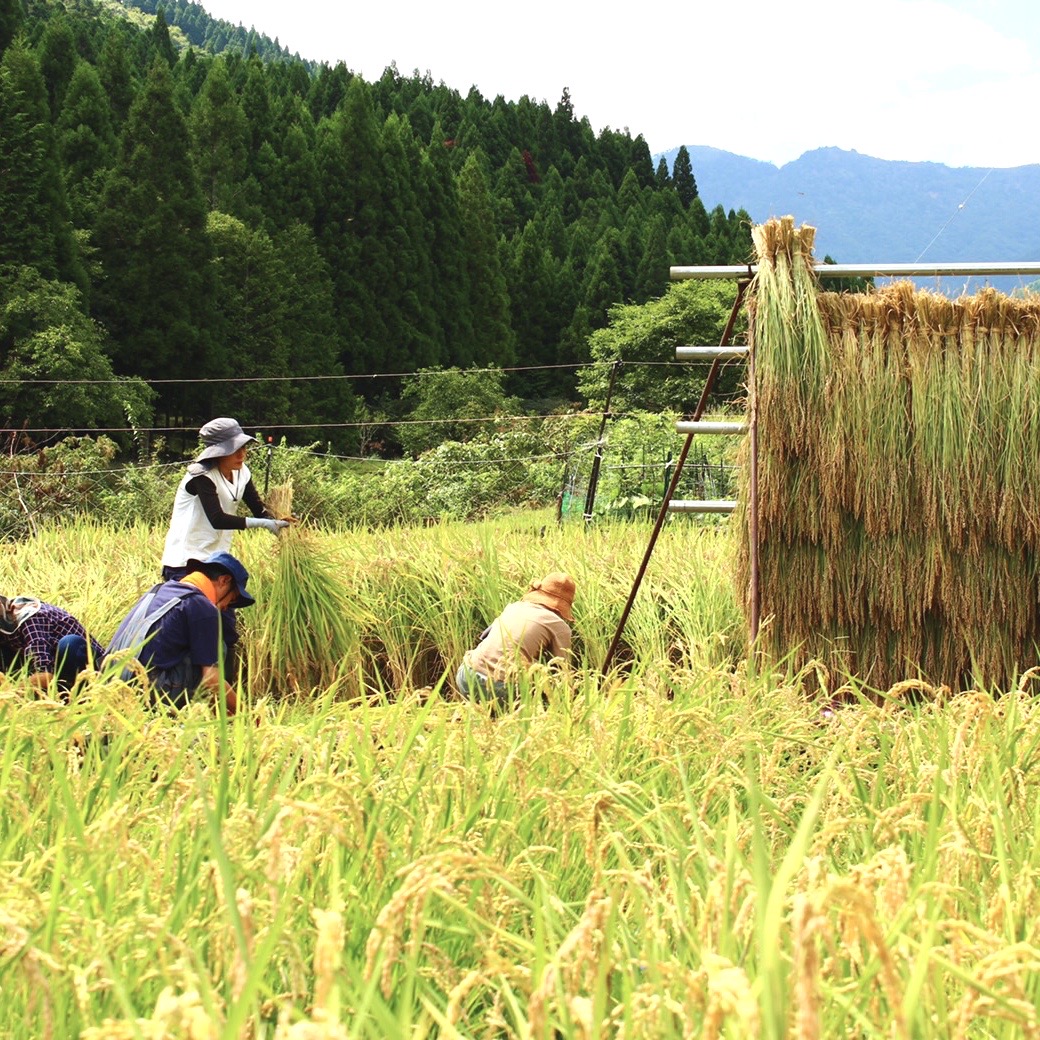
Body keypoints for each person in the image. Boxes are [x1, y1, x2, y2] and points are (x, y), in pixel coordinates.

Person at [104, 551, 255, 715]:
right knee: (219, 647)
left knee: (203, 650)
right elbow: (211, 679)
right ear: (224, 581)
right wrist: (247, 715)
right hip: (145, 692)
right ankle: (214, 714)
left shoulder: (159, 590)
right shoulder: (203, 606)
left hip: (111, 685)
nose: (226, 607)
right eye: (231, 599)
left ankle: (219, 713)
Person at [161, 416, 289, 582]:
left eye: (243, 448)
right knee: (197, 608)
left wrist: (280, 521)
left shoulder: (242, 472)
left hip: (216, 559)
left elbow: (259, 510)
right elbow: (217, 519)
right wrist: (264, 524)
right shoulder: (201, 475)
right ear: (218, 453)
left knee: (225, 608)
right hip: (186, 562)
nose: (242, 454)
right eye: (234, 449)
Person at [456, 572, 575, 705]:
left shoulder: (514, 606)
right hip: (499, 688)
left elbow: (484, 636)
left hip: (467, 674)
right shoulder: (559, 625)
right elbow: (562, 673)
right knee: (543, 704)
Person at [0, 594, 104, 692]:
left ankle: (81, 694)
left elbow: (45, 676)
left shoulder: (28, 620)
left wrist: (8, 691)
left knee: (69, 644)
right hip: (53, 669)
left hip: (84, 666)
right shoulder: (4, 625)